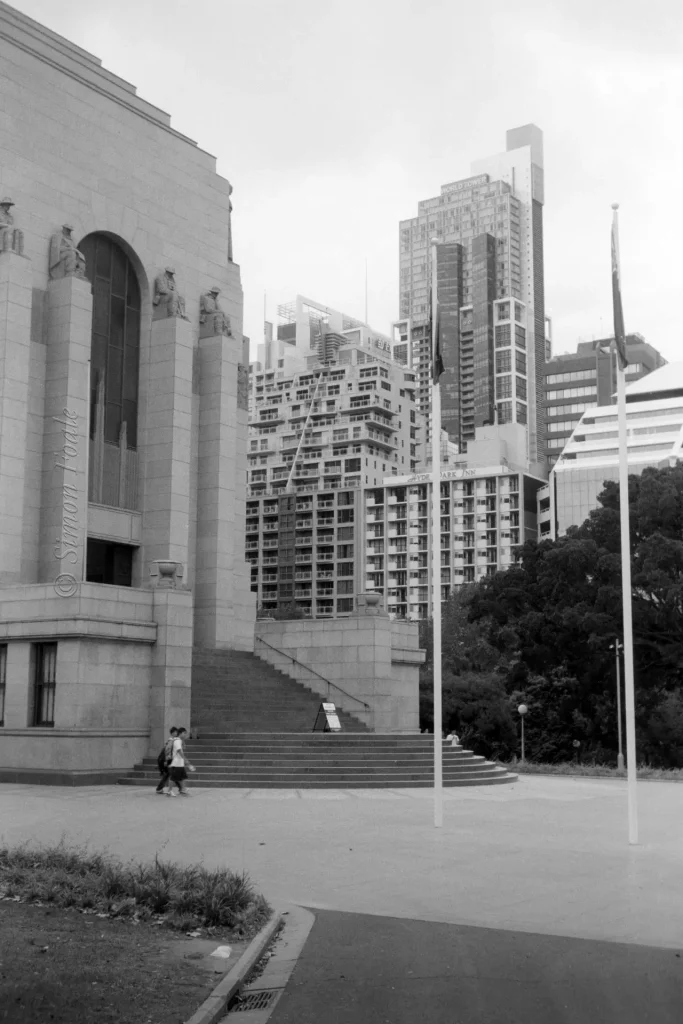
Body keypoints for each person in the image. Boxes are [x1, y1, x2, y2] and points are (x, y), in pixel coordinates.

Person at [167, 726, 195, 797]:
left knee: (182, 777)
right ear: (180, 733)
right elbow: (179, 751)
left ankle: (183, 789)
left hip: (180, 763)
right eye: (184, 733)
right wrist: (186, 760)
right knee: (173, 778)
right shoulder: (177, 741)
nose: (185, 735)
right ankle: (169, 791)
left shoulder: (179, 741)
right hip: (177, 763)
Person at [156, 726, 177, 794]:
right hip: (168, 760)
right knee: (172, 774)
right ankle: (182, 788)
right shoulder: (171, 741)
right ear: (173, 733)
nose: (176, 733)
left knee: (168, 774)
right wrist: (166, 761)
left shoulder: (171, 740)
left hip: (168, 760)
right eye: (176, 732)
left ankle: (159, 788)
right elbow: (167, 751)